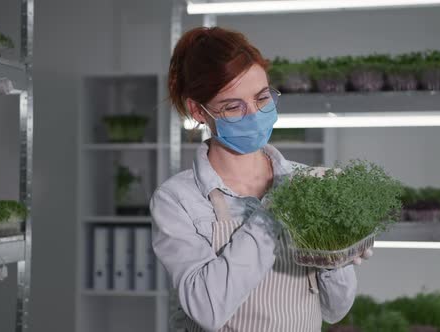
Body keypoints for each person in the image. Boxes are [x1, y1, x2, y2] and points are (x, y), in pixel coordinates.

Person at [150, 26, 372, 332]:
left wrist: (338, 259)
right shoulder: (178, 201)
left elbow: (335, 309)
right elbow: (206, 309)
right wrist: (276, 210)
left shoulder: (305, 181)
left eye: (262, 98)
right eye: (232, 106)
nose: (253, 115)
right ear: (197, 111)